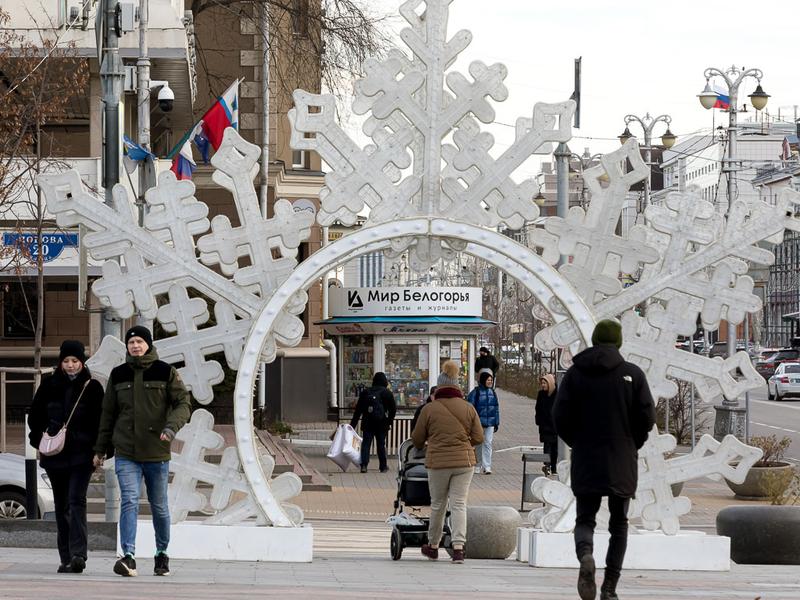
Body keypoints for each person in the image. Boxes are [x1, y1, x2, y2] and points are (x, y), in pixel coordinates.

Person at [553, 319, 656, 600]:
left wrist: (578, 441)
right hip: (621, 459)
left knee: (584, 518)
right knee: (619, 524)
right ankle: (609, 588)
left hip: (586, 457)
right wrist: (632, 442)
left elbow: (559, 416)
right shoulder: (633, 375)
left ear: (595, 340)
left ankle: (586, 555)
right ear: (619, 342)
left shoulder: (575, 374)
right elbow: (647, 418)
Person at [93, 326, 191, 578]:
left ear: (148, 344)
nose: (135, 346)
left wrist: (171, 428)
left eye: (139, 341)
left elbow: (183, 403)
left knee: (159, 506)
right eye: (131, 342)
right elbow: (107, 414)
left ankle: (161, 553)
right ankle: (128, 556)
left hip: (156, 451)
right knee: (129, 500)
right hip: (126, 451)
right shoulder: (118, 374)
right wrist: (101, 448)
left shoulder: (165, 372)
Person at [27, 340, 105, 574]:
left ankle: (79, 554)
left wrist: (100, 451)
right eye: (66, 361)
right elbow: (35, 417)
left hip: (82, 455)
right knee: (61, 505)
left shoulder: (93, 387)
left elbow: (102, 421)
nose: (70, 365)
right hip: (55, 454)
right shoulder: (49, 384)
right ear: (60, 362)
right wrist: (39, 440)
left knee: (76, 500)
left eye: (75, 361)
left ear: (82, 362)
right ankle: (66, 557)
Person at [411, 360, 483, 564]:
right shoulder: (468, 408)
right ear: (457, 386)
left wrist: (431, 440)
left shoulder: (429, 409)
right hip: (464, 463)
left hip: (438, 463)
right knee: (460, 504)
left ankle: (433, 546)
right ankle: (459, 548)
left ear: (439, 386)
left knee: (438, 505)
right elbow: (479, 437)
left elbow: (416, 439)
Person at [350, 372, 396, 473]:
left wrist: (352, 425)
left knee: (366, 444)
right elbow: (393, 409)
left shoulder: (366, 392)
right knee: (380, 445)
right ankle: (383, 466)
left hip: (367, 422)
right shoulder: (387, 393)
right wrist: (389, 422)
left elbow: (358, 410)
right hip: (381, 423)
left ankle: (364, 465)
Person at [466, 372, 499, 474]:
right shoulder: (476, 392)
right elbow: (470, 408)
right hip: (478, 423)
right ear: (483, 380)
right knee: (478, 444)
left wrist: (496, 422)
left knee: (488, 443)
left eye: (491, 380)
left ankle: (487, 466)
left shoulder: (493, 393)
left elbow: (496, 409)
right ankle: (477, 464)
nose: (490, 382)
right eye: (488, 380)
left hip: (490, 424)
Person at [535, 373, 558, 475]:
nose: (543, 385)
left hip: (555, 426)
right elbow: (538, 408)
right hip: (545, 426)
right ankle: (547, 466)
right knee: (547, 446)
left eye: (545, 383)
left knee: (555, 448)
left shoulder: (557, 394)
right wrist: (539, 420)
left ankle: (554, 467)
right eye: (542, 383)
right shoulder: (541, 394)